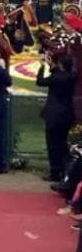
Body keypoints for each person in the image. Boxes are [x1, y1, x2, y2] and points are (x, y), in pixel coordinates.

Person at [39, 52, 77, 183]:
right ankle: (65, 170)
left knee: (53, 145)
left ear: (60, 65)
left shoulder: (55, 78)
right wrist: (52, 65)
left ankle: (55, 172)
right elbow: (60, 74)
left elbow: (40, 81)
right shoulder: (71, 77)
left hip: (54, 115)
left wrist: (42, 66)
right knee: (63, 143)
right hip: (67, 114)